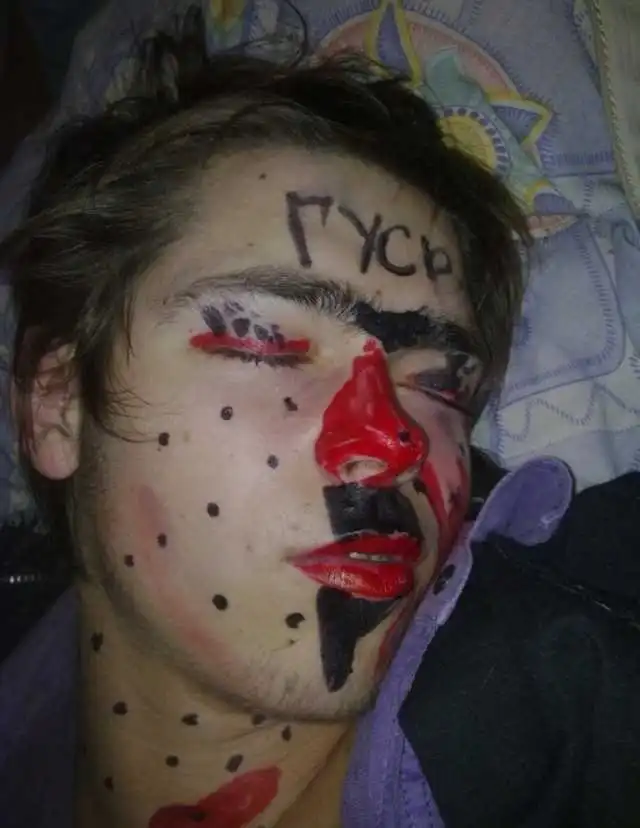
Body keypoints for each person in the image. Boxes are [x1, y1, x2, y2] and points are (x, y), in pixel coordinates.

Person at [1, 9, 639, 828]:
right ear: (57, 404)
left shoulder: (575, 715)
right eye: (265, 341)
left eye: (440, 384)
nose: (393, 443)